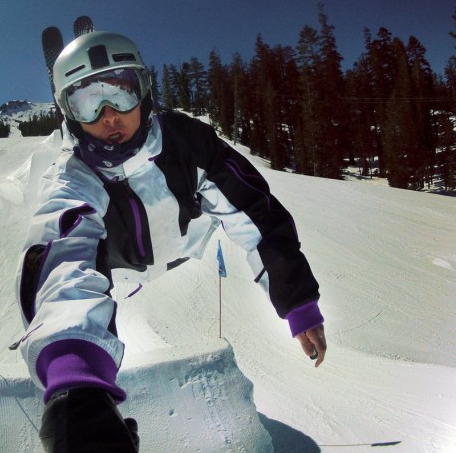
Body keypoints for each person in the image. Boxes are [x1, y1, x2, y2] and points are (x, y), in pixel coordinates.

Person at [16, 31, 327, 452]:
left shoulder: (187, 142)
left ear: (144, 90)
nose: (110, 116)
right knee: (74, 236)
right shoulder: (71, 178)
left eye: (121, 94)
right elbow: (61, 259)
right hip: (120, 267)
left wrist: (297, 300)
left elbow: (255, 211)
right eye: (87, 103)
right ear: (68, 113)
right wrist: (77, 387)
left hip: (184, 243)